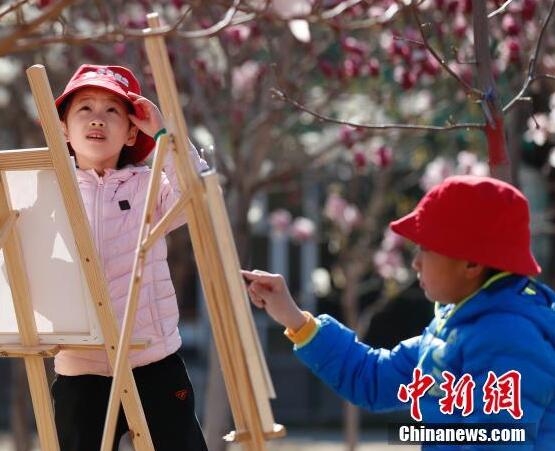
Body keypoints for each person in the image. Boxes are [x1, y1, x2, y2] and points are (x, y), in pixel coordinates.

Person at [244, 175, 555, 450]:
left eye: (426, 248)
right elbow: (374, 380)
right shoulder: (453, 328)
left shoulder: (509, 340)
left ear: (471, 264)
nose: (415, 262)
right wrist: (295, 320)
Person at [51, 64, 209, 450]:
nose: (97, 121)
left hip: (152, 359)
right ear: (63, 129)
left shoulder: (148, 184)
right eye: (84, 109)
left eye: (112, 112)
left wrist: (165, 134)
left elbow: (200, 198)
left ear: (132, 131)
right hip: (80, 364)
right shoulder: (49, 190)